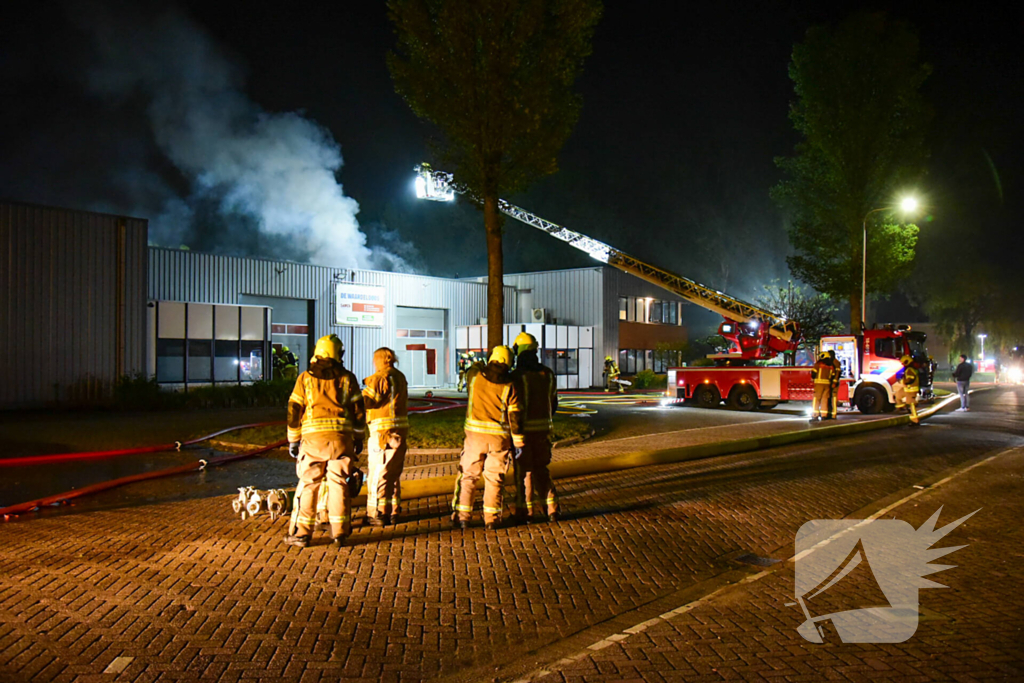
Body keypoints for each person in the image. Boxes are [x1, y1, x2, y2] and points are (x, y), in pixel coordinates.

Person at [284, 334, 366, 548]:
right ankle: (339, 533)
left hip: (313, 442)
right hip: (341, 440)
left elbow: (294, 410)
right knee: (339, 484)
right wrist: (358, 438)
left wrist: (293, 439)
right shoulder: (348, 378)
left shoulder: (305, 378)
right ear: (337, 353)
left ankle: (301, 534)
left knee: (309, 485)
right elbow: (358, 411)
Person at [452, 345, 524, 530]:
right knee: (494, 479)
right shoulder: (510, 386)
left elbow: (473, 368)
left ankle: (462, 517)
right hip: (499, 440)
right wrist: (519, 443)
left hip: (474, 438)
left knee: (468, 476)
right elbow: (514, 417)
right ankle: (491, 519)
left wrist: (478, 362)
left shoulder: (474, 378)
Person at [510, 332, 560, 524]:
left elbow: (514, 407)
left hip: (523, 433)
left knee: (524, 473)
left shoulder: (518, 376)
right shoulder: (547, 373)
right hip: (544, 431)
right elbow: (553, 402)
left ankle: (526, 513)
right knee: (542, 470)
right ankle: (552, 510)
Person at [362, 347, 409, 526]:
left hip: (382, 433)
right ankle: (393, 511)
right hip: (400, 431)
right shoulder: (400, 376)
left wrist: (364, 388)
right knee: (393, 474)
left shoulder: (380, 377)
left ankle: (376, 513)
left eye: (375, 360)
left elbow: (369, 400)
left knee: (377, 474)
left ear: (381, 359)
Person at [894, 355, 921, 424]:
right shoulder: (910, 369)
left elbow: (909, 379)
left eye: (903, 363)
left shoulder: (909, 370)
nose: (903, 364)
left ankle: (915, 421)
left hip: (911, 390)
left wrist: (902, 381)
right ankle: (903, 408)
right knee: (898, 395)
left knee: (911, 404)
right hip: (907, 389)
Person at [810, 352, 836, 421]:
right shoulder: (831, 366)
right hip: (827, 385)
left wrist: (813, 378)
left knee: (816, 399)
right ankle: (824, 415)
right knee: (825, 400)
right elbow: (833, 375)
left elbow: (813, 373)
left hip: (819, 384)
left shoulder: (819, 364)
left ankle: (815, 415)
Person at [828, 349, 842, 419]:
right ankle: (830, 413)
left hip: (834, 383)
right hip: (830, 383)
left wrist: (834, 382)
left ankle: (834, 414)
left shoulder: (835, 362)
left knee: (833, 398)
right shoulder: (832, 362)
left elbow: (837, 373)